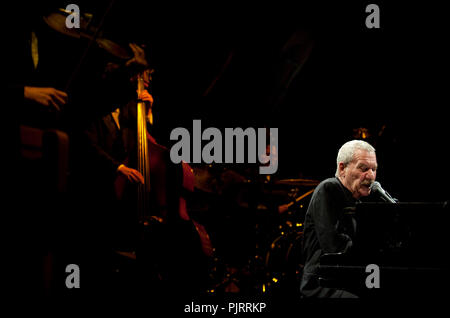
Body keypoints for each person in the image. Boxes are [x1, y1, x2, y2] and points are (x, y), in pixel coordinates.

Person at [299, 139, 377, 298]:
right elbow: (333, 245)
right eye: (364, 168)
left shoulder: (361, 200)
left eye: (374, 169)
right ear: (342, 168)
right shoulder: (329, 188)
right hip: (323, 283)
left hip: (350, 279)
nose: (371, 175)